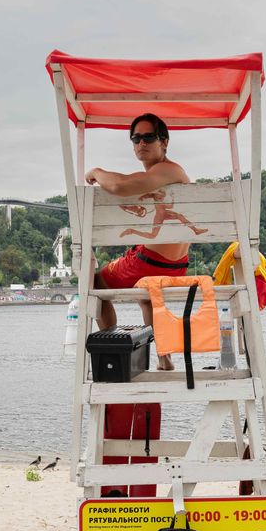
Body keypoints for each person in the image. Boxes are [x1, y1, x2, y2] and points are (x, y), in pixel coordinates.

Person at [85, 113, 192, 370]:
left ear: (164, 142)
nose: (141, 143)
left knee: (96, 281)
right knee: (146, 296)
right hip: (177, 265)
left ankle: (111, 347)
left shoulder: (168, 170)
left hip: (150, 263)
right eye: (136, 138)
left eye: (148, 137)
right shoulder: (168, 173)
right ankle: (164, 357)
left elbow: (121, 186)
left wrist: (97, 171)